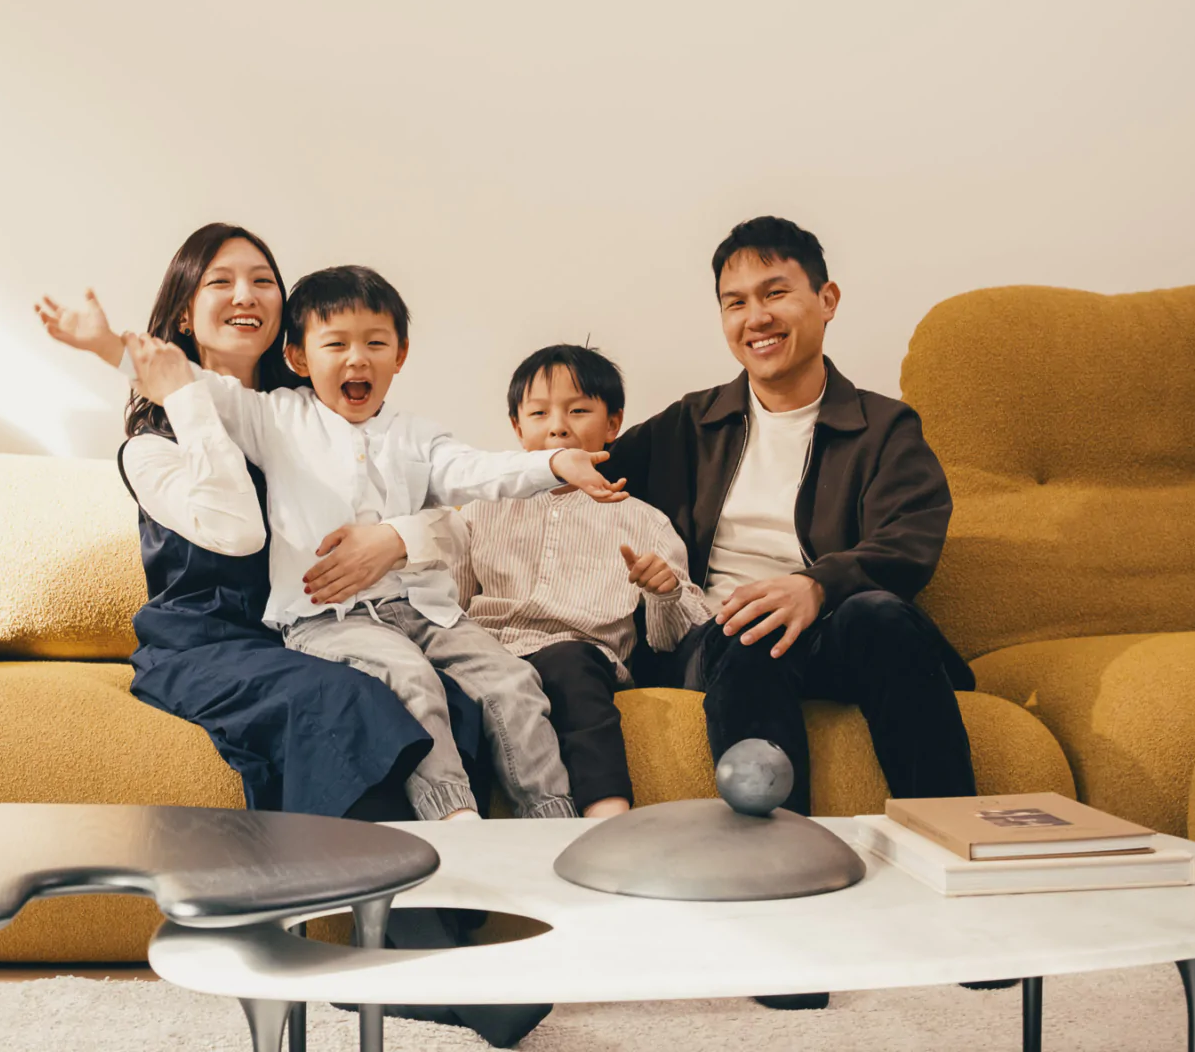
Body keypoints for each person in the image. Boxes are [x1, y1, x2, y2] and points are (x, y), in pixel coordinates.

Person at [37, 228, 549, 1046]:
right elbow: (238, 532)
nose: (246, 295)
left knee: (445, 692)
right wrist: (169, 386)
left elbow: (451, 514)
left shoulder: (314, 415)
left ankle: (468, 922)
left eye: (263, 279)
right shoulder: (154, 444)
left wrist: (399, 538)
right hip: (206, 643)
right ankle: (418, 958)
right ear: (182, 310)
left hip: (314, 627)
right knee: (349, 699)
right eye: (221, 282)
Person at [604, 216, 978, 1010]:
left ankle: (959, 892)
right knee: (744, 636)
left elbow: (911, 539)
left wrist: (817, 584)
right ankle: (785, 925)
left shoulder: (883, 426)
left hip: (842, 626)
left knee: (879, 616)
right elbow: (581, 471)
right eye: (735, 302)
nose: (756, 317)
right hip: (726, 635)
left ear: (826, 299)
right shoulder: (690, 424)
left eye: (776, 293)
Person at [128, 265, 630, 823]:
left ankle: (552, 823)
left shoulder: (418, 434)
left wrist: (554, 461)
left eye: (375, 343)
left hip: (426, 610)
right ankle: (456, 822)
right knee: (409, 682)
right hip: (330, 616)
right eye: (336, 344)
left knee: (513, 681)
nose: (357, 359)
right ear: (298, 357)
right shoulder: (274, 417)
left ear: (401, 353)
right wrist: (104, 344)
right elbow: (196, 386)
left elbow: (478, 473)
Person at [448, 344, 711, 817]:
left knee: (571, 670)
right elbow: (451, 605)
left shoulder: (643, 521)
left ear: (613, 424)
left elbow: (674, 637)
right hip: (489, 655)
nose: (558, 426)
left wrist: (664, 591)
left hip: (582, 655)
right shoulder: (481, 511)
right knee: (453, 692)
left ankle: (606, 817)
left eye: (578, 410)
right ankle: (466, 829)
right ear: (517, 428)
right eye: (539, 412)